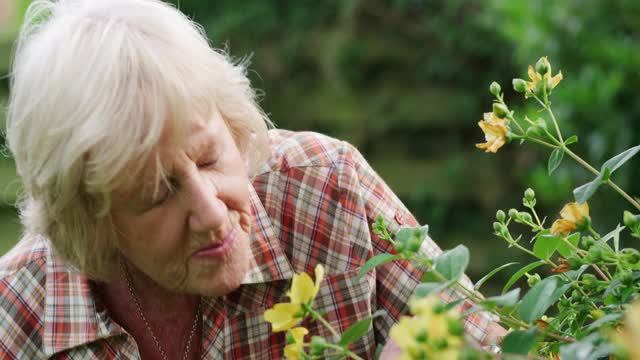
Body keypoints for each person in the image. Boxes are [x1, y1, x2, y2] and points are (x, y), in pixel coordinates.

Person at [0, 0, 502, 358]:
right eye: (156, 194)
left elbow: (493, 339)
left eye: (210, 158)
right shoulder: (19, 316)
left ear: (233, 125)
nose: (213, 211)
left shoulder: (327, 188)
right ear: (92, 219)